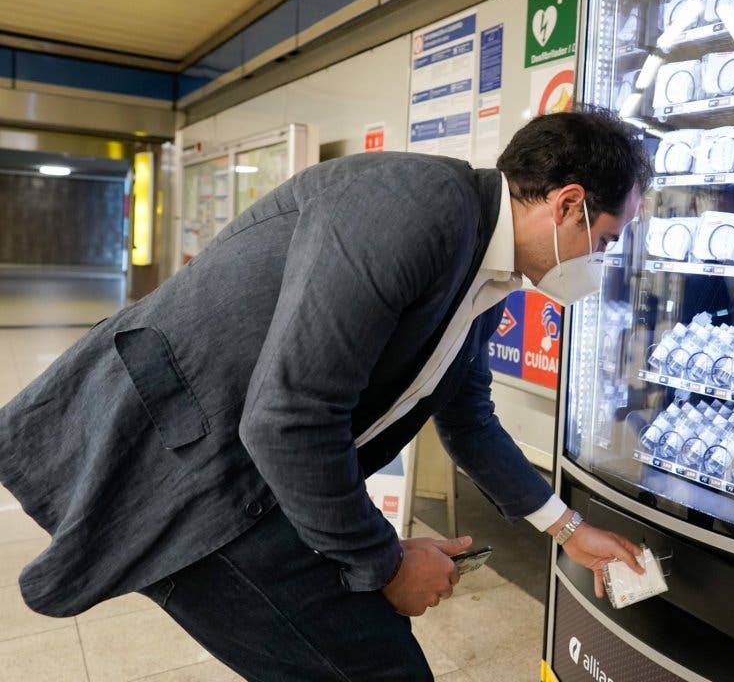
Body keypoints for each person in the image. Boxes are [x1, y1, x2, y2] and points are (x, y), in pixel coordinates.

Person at [0, 108, 651, 681]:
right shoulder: (415, 209)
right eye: (607, 240)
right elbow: (291, 420)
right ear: (569, 204)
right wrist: (385, 563)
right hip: (198, 475)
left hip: (259, 479)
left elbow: (470, 421)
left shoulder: (483, 274)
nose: (601, 260)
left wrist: (566, 530)